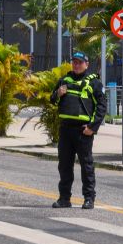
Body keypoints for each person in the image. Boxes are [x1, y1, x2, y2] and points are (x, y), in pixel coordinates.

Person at [50, 51, 107, 210]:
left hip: (83, 131)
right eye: (74, 62)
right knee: (64, 165)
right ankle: (64, 198)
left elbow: (102, 107)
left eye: (79, 62)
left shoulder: (94, 83)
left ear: (86, 64)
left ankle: (89, 198)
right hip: (65, 130)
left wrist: (92, 128)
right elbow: (52, 100)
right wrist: (58, 94)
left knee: (86, 166)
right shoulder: (64, 80)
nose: (76, 65)